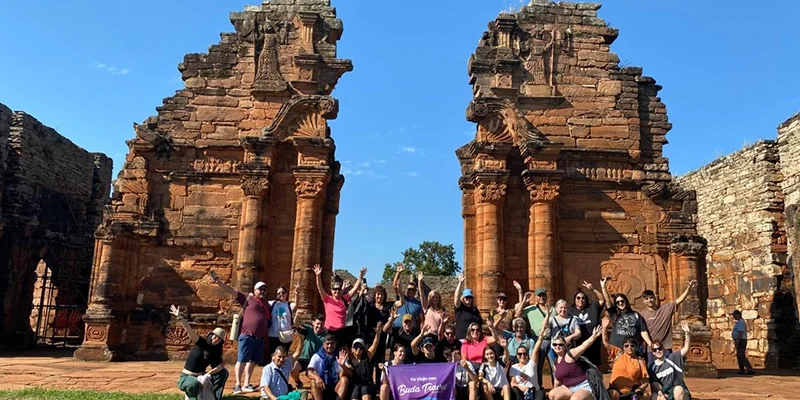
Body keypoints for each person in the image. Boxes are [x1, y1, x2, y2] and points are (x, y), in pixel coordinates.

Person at [212, 273, 271, 394]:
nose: (263, 291)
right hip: (247, 335)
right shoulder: (247, 298)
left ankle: (246, 383)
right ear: (254, 290)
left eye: (265, 289)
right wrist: (218, 282)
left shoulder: (266, 304)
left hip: (259, 337)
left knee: (253, 361)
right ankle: (237, 385)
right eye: (260, 289)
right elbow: (231, 291)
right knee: (242, 360)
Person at [171, 305, 229, 400]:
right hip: (187, 377)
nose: (216, 339)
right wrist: (180, 317)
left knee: (223, 373)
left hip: (201, 376)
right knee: (193, 384)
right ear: (211, 335)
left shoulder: (215, 352)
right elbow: (189, 331)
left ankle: (215, 397)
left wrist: (208, 374)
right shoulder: (201, 342)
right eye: (215, 336)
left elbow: (221, 366)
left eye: (219, 339)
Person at [639, 280, 697, 366]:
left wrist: (688, 289)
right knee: (652, 371)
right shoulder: (642, 315)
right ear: (644, 301)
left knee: (668, 369)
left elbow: (679, 300)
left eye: (651, 298)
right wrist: (651, 345)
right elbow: (642, 331)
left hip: (665, 347)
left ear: (655, 298)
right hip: (651, 349)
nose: (649, 300)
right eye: (646, 299)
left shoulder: (665, 309)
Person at [313, 264, 366, 347]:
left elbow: (354, 289)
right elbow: (320, 288)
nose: (337, 291)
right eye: (335, 289)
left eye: (339, 289)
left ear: (342, 290)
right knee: (328, 350)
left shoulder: (344, 299)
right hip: (329, 330)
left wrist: (360, 277)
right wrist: (318, 275)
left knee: (341, 352)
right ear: (331, 290)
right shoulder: (327, 299)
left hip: (342, 331)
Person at [547, 325, 603, 400]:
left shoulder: (570, 354)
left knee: (575, 399)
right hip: (569, 388)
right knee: (552, 394)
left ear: (565, 346)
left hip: (583, 386)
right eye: (555, 344)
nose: (557, 346)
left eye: (561, 344)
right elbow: (557, 381)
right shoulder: (555, 362)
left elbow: (583, 346)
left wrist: (594, 336)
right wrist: (555, 391)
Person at [602, 318, 650, 400]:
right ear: (623, 347)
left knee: (644, 396)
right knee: (612, 394)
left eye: (632, 345)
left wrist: (640, 389)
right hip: (616, 389)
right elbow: (605, 342)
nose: (629, 347)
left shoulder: (640, 361)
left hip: (632, 391)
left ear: (636, 347)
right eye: (626, 346)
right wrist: (604, 328)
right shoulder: (618, 353)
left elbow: (645, 381)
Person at [600, 278, 652, 351]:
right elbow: (608, 301)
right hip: (617, 349)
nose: (620, 303)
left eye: (622, 301)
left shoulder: (636, 315)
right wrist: (603, 287)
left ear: (626, 301)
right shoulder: (615, 314)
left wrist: (650, 344)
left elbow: (643, 331)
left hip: (632, 349)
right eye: (618, 302)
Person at [517, 289, 552, 389]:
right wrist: (523, 301)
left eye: (543, 295)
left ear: (546, 296)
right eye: (539, 296)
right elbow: (517, 314)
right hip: (538, 340)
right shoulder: (530, 309)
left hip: (552, 340)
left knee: (555, 366)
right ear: (536, 298)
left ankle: (556, 387)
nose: (541, 298)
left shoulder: (553, 309)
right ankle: (538, 388)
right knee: (537, 365)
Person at [650, 322, 692, 400]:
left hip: (679, 392)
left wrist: (687, 334)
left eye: (659, 348)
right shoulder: (653, 367)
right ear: (653, 353)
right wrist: (660, 394)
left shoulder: (673, 357)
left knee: (678, 390)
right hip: (666, 392)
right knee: (655, 397)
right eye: (655, 350)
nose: (658, 351)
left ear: (663, 349)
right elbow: (655, 383)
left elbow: (686, 348)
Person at [509, 319, 548, 400]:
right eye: (520, 354)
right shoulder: (514, 367)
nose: (522, 355)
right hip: (520, 392)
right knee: (514, 390)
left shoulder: (532, 363)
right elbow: (512, 383)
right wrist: (522, 388)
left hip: (533, 392)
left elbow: (536, 349)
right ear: (517, 355)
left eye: (525, 353)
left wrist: (541, 336)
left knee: (541, 393)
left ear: (528, 354)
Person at [343, 324, 384, 400]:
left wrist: (378, 334)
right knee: (355, 392)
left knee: (365, 391)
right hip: (355, 385)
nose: (358, 349)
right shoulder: (348, 359)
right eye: (356, 347)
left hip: (367, 385)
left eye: (360, 347)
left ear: (363, 349)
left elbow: (375, 345)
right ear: (352, 349)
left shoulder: (367, 356)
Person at [569, 281, 605, 367]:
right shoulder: (570, 312)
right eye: (578, 298)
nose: (580, 300)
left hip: (594, 344)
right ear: (575, 299)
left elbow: (602, 299)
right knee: (580, 369)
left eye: (583, 298)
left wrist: (592, 289)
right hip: (578, 345)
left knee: (595, 368)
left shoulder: (593, 307)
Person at [308, 335, 350, 400]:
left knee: (344, 379)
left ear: (336, 344)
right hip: (321, 387)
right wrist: (317, 377)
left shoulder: (341, 355)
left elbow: (350, 374)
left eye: (332, 343)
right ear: (323, 344)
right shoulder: (316, 356)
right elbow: (309, 372)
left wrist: (343, 366)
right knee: (313, 381)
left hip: (335, 388)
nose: (330, 346)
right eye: (327, 344)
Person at [291, 314, 327, 388]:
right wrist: (298, 314)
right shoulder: (308, 329)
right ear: (313, 322)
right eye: (317, 323)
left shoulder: (325, 336)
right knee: (293, 370)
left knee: (313, 376)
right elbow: (297, 323)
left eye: (321, 324)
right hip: (303, 358)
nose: (319, 326)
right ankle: (298, 382)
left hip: (315, 361)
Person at [367, 285, 392, 381]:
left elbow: (400, 302)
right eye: (378, 294)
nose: (379, 297)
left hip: (383, 337)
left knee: (379, 361)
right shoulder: (370, 306)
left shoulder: (387, 307)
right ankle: (368, 382)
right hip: (371, 337)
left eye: (381, 295)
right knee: (370, 359)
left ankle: (378, 384)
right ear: (375, 295)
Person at [269, 284, 299, 361]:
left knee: (283, 356)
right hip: (273, 334)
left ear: (286, 294)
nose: (281, 294)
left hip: (286, 335)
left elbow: (296, 305)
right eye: (279, 293)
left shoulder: (289, 305)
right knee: (273, 355)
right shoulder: (272, 303)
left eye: (283, 292)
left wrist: (296, 293)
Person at [548, 300, 580, 369]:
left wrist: (569, 338)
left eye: (565, 308)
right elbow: (543, 326)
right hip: (555, 350)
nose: (563, 309)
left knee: (570, 368)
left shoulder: (573, 319)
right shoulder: (552, 319)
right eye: (561, 307)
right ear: (556, 309)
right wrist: (548, 315)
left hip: (569, 349)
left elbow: (578, 333)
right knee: (556, 370)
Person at [392, 264, 423, 328]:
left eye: (413, 289)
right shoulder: (401, 297)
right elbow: (395, 286)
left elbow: (421, 320)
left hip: (411, 331)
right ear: (406, 290)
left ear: (415, 291)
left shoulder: (418, 304)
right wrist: (398, 273)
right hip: (397, 329)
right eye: (409, 289)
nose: (411, 291)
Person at [454, 273, 483, 340]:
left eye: (470, 297)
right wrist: (460, 283)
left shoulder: (475, 309)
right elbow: (456, 298)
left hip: (475, 339)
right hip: (463, 338)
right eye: (466, 297)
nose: (468, 299)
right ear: (463, 298)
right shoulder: (460, 307)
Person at [731, 310, 755, 375]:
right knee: (739, 355)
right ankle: (741, 369)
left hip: (741, 340)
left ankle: (750, 369)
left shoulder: (741, 322)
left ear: (738, 315)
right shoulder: (739, 322)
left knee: (741, 355)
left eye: (734, 315)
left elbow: (740, 332)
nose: (734, 317)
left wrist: (738, 340)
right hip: (740, 340)